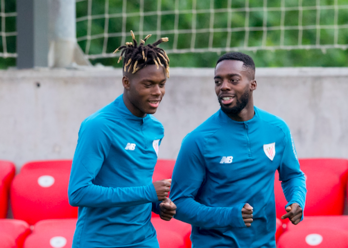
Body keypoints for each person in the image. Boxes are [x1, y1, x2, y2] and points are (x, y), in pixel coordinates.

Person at [170, 52, 307, 247]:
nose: (224, 86)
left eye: (233, 80)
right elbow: (179, 203)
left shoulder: (277, 129)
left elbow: (293, 175)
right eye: (218, 81)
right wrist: (229, 215)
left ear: (253, 84)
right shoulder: (197, 140)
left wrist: (297, 201)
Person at [68, 31, 176, 248]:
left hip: (143, 239)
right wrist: (147, 192)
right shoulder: (98, 126)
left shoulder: (156, 128)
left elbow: (133, 182)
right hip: (100, 241)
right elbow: (78, 193)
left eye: (162, 84)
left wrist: (157, 204)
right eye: (148, 84)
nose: (158, 92)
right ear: (126, 82)